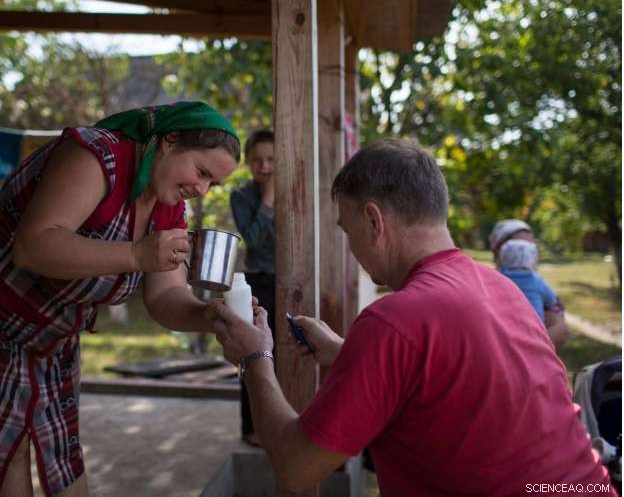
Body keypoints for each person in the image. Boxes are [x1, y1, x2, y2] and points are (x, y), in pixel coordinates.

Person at [210, 139, 615, 496]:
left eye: (348, 232)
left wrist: (254, 358)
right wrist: (346, 353)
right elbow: (445, 375)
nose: (351, 249)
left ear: (373, 220)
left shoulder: (394, 321)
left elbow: (297, 467)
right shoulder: (499, 288)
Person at [0, 102, 240, 497]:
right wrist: (135, 254)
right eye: (201, 172)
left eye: (212, 184)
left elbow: (165, 296)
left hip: (51, 325)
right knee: (11, 441)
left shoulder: (168, 210)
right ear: (169, 142)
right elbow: (34, 246)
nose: (201, 191)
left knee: (59, 443)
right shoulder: (97, 157)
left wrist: (211, 316)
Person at [229, 129, 276, 447]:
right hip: (258, 280)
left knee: (286, 357)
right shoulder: (241, 197)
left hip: (291, 281)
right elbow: (254, 239)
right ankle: (252, 428)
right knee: (254, 352)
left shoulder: (294, 192)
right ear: (248, 163)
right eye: (257, 160)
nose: (265, 166)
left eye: (271, 159)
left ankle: (281, 424)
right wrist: (269, 201)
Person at [489, 218, 570, 348]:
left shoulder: (536, 283)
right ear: (499, 250)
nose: (526, 252)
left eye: (531, 247)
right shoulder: (486, 285)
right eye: (520, 246)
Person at [498, 238, 558, 321]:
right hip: (533, 327)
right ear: (531, 260)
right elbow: (551, 300)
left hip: (505, 324)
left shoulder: (500, 278)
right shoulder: (536, 280)